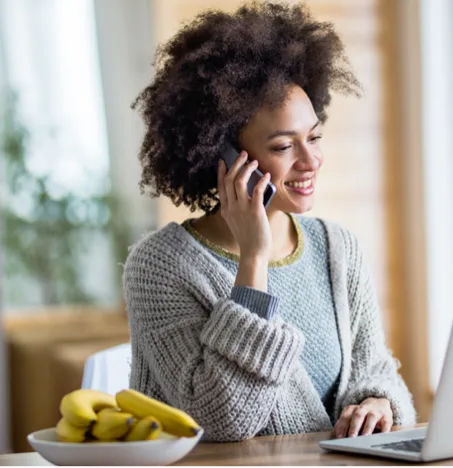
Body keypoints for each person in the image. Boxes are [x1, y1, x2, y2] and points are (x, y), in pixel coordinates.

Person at [123, 1, 416, 443]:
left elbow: (374, 369)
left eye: (314, 137)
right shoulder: (160, 266)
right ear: (221, 156)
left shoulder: (338, 248)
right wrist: (253, 260)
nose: (310, 160)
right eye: (283, 147)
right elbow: (221, 419)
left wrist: (378, 402)